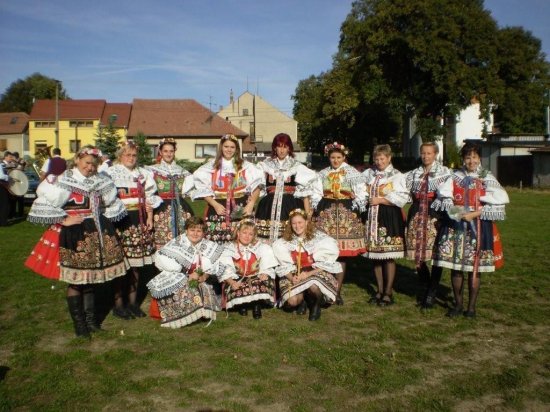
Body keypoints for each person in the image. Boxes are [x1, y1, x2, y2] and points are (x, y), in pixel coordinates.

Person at [25, 145, 128, 338]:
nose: (90, 168)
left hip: (95, 231)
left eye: (94, 165)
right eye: (87, 163)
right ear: (78, 160)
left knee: (90, 279)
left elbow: (108, 203)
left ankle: (91, 321)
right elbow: (44, 201)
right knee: (76, 280)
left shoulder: (100, 180)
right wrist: (64, 219)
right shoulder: (65, 179)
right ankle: (80, 325)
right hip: (74, 234)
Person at [432, 142, 509, 318]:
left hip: (479, 226)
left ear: (479, 158)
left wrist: (474, 213)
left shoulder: (485, 175)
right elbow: (444, 201)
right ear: (463, 159)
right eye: (468, 157)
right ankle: (458, 304)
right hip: (456, 227)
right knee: (456, 267)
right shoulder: (455, 176)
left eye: (474, 157)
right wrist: (460, 213)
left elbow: (499, 199)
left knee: (475, 268)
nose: (471, 161)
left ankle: (471, 307)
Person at [105, 142, 162, 319]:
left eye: (134, 155)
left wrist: (150, 218)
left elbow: (149, 198)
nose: (131, 158)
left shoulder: (143, 174)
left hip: (139, 222)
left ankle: (133, 303)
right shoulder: (111, 173)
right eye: (127, 155)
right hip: (120, 222)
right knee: (121, 266)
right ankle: (118, 305)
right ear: (120, 156)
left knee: (136, 267)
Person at [311, 142, 367, 305]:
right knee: (326, 252)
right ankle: (326, 286)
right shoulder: (323, 174)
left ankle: (337, 291)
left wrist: (357, 207)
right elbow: (316, 192)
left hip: (345, 212)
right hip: (326, 211)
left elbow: (361, 192)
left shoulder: (352, 173)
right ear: (328, 158)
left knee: (342, 254)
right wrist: (316, 205)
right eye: (332, 157)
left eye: (338, 157)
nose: (335, 160)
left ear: (344, 157)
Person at [147, 217, 226, 328]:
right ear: (186, 231)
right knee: (186, 290)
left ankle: (198, 312)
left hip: (198, 279)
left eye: (199, 231)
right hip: (177, 278)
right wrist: (187, 276)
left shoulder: (208, 245)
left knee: (204, 288)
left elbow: (216, 264)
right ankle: (183, 314)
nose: (195, 233)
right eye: (192, 230)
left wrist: (204, 275)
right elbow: (166, 264)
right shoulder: (177, 243)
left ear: (203, 233)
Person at [404, 142, 453, 309]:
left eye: (429, 153)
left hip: (435, 214)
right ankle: (425, 282)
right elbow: (405, 190)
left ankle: (431, 292)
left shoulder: (444, 173)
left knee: (435, 254)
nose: (425, 156)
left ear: (435, 154)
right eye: (423, 153)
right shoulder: (414, 174)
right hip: (417, 213)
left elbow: (448, 194)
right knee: (417, 253)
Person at [192, 134, 263, 244]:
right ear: (221, 147)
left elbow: (257, 185)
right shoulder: (211, 167)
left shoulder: (246, 166)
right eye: (226, 146)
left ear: (236, 149)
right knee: (216, 239)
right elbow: (202, 188)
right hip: (218, 207)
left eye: (232, 147)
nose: (229, 150)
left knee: (242, 239)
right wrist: (214, 204)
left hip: (241, 206)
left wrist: (251, 203)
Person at [272, 209, 341, 321]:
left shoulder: (319, 238)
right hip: (294, 273)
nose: (297, 226)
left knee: (313, 286)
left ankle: (316, 306)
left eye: (300, 222)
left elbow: (325, 265)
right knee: (292, 302)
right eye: (294, 223)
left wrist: (308, 274)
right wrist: (291, 277)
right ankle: (303, 301)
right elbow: (283, 266)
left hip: (314, 272)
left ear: (306, 222)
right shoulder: (283, 242)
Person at [363, 144, 409, 306]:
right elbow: (361, 189)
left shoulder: (396, 176)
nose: (379, 161)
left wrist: (380, 200)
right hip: (372, 217)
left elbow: (402, 198)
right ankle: (379, 290)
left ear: (389, 158)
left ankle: (388, 292)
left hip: (388, 215)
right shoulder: (370, 174)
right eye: (377, 158)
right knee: (375, 256)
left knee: (388, 255)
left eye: (382, 158)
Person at [255, 133, 317, 243]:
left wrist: (307, 214)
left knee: (290, 238)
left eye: (285, 147)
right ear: (275, 147)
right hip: (268, 206)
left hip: (290, 205)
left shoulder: (296, 165)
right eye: (279, 146)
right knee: (266, 239)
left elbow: (305, 192)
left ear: (289, 148)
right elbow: (258, 187)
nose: (282, 150)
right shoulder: (265, 165)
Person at [220, 219, 278, 319]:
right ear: (238, 233)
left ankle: (256, 305)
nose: (247, 236)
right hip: (237, 277)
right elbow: (226, 270)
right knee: (237, 286)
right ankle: (242, 305)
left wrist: (265, 273)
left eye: (250, 234)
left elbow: (267, 265)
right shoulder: (229, 248)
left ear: (254, 236)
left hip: (255, 276)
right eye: (244, 233)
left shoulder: (261, 247)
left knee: (261, 282)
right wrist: (232, 282)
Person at [146, 138, 195, 250]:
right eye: (166, 151)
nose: (168, 154)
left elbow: (188, 190)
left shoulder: (182, 171)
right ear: (160, 152)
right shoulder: (152, 170)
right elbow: (149, 193)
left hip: (181, 207)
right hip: (161, 208)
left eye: (171, 151)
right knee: (162, 238)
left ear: (174, 152)